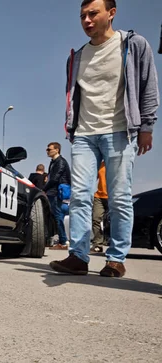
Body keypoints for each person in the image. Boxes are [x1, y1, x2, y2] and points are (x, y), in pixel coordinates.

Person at [50, 0, 159, 278]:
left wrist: (146, 126)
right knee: (80, 198)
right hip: (85, 134)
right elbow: (73, 95)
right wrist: (71, 128)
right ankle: (78, 256)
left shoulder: (133, 45)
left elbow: (148, 85)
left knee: (119, 198)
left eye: (93, 13)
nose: (86, 20)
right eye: (83, 15)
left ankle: (116, 259)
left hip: (119, 132)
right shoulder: (76, 57)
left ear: (111, 13)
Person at [43, 142, 71, 250]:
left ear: (57, 150)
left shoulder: (61, 162)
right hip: (53, 192)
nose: (47, 151)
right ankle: (57, 240)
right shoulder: (53, 162)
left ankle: (63, 241)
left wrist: (43, 189)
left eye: (49, 149)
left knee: (58, 216)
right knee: (54, 216)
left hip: (56, 192)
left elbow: (54, 179)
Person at [91, 161, 108, 253]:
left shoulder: (115, 162)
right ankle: (98, 244)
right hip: (99, 197)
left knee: (112, 221)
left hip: (113, 196)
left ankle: (113, 244)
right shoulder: (101, 165)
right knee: (96, 219)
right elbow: (93, 178)